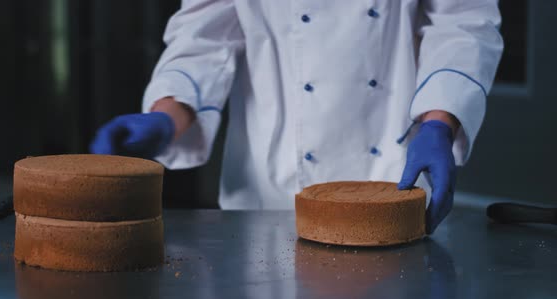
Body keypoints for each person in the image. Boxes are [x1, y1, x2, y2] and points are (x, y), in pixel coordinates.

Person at [91, 1, 503, 234]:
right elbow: (204, 38)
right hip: (270, 193)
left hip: (391, 175)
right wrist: (167, 116)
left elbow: (464, 23)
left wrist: (439, 121)